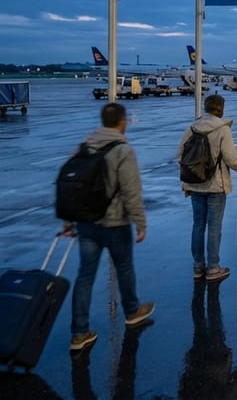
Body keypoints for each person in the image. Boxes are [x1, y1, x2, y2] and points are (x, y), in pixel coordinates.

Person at [64, 102, 154, 352]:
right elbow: (131, 190)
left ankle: (79, 332)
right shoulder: (122, 150)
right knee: (124, 268)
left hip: (86, 223)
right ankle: (132, 310)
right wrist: (140, 223)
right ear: (122, 121)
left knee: (85, 276)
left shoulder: (84, 145)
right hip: (115, 222)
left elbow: (70, 185)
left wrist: (68, 221)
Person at [177, 94, 237, 283]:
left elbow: (180, 155)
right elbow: (230, 159)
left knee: (198, 224)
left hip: (195, 183)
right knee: (214, 226)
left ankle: (198, 266)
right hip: (215, 185)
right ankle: (213, 267)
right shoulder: (222, 129)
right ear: (221, 108)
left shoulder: (192, 128)